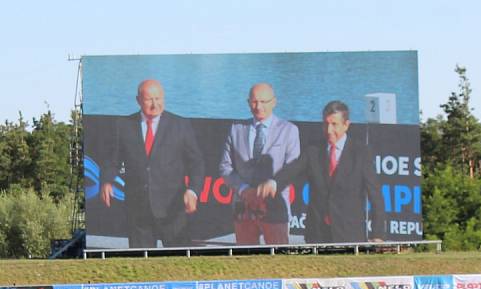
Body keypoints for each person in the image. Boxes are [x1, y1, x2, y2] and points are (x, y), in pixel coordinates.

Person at [258, 100, 385, 244]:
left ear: (346, 125)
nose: (329, 130)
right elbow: (293, 169)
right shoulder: (313, 150)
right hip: (317, 234)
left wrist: (378, 234)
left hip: (349, 235)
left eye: (334, 124)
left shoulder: (361, 153)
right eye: (325, 124)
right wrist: (274, 182)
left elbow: (376, 196)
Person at [100, 79, 205, 248]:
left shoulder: (180, 125)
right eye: (149, 99)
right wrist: (107, 181)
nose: (155, 104)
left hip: (173, 211)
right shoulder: (123, 126)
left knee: (178, 263)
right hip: (138, 211)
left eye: (159, 98)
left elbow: (196, 163)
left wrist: (193, 191)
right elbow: (112, 160)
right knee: (141, 265)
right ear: (138, 100)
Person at [218, 82, 300, 245]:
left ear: (274, 102)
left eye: (264, 102)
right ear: (248, 102)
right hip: (243, 209)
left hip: (275, 208)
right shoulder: (236, 129)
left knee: (279, 262)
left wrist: (272, 186)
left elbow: (293, 168)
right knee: (246, 261)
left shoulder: (289, 130)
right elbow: (225, 167)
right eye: (254, 102)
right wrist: (243, 189)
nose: (258, 106)